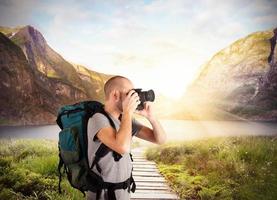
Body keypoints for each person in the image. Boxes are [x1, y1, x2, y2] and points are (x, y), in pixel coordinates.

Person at [86, 75, 167, 200]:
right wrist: (128, 112)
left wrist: (151, 117)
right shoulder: (98, 119)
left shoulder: (124, 119)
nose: (133, 98)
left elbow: (160, 139)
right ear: (115, 95)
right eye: (129, 94)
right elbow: (122, 147)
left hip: (123, 193)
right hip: (102, 195)